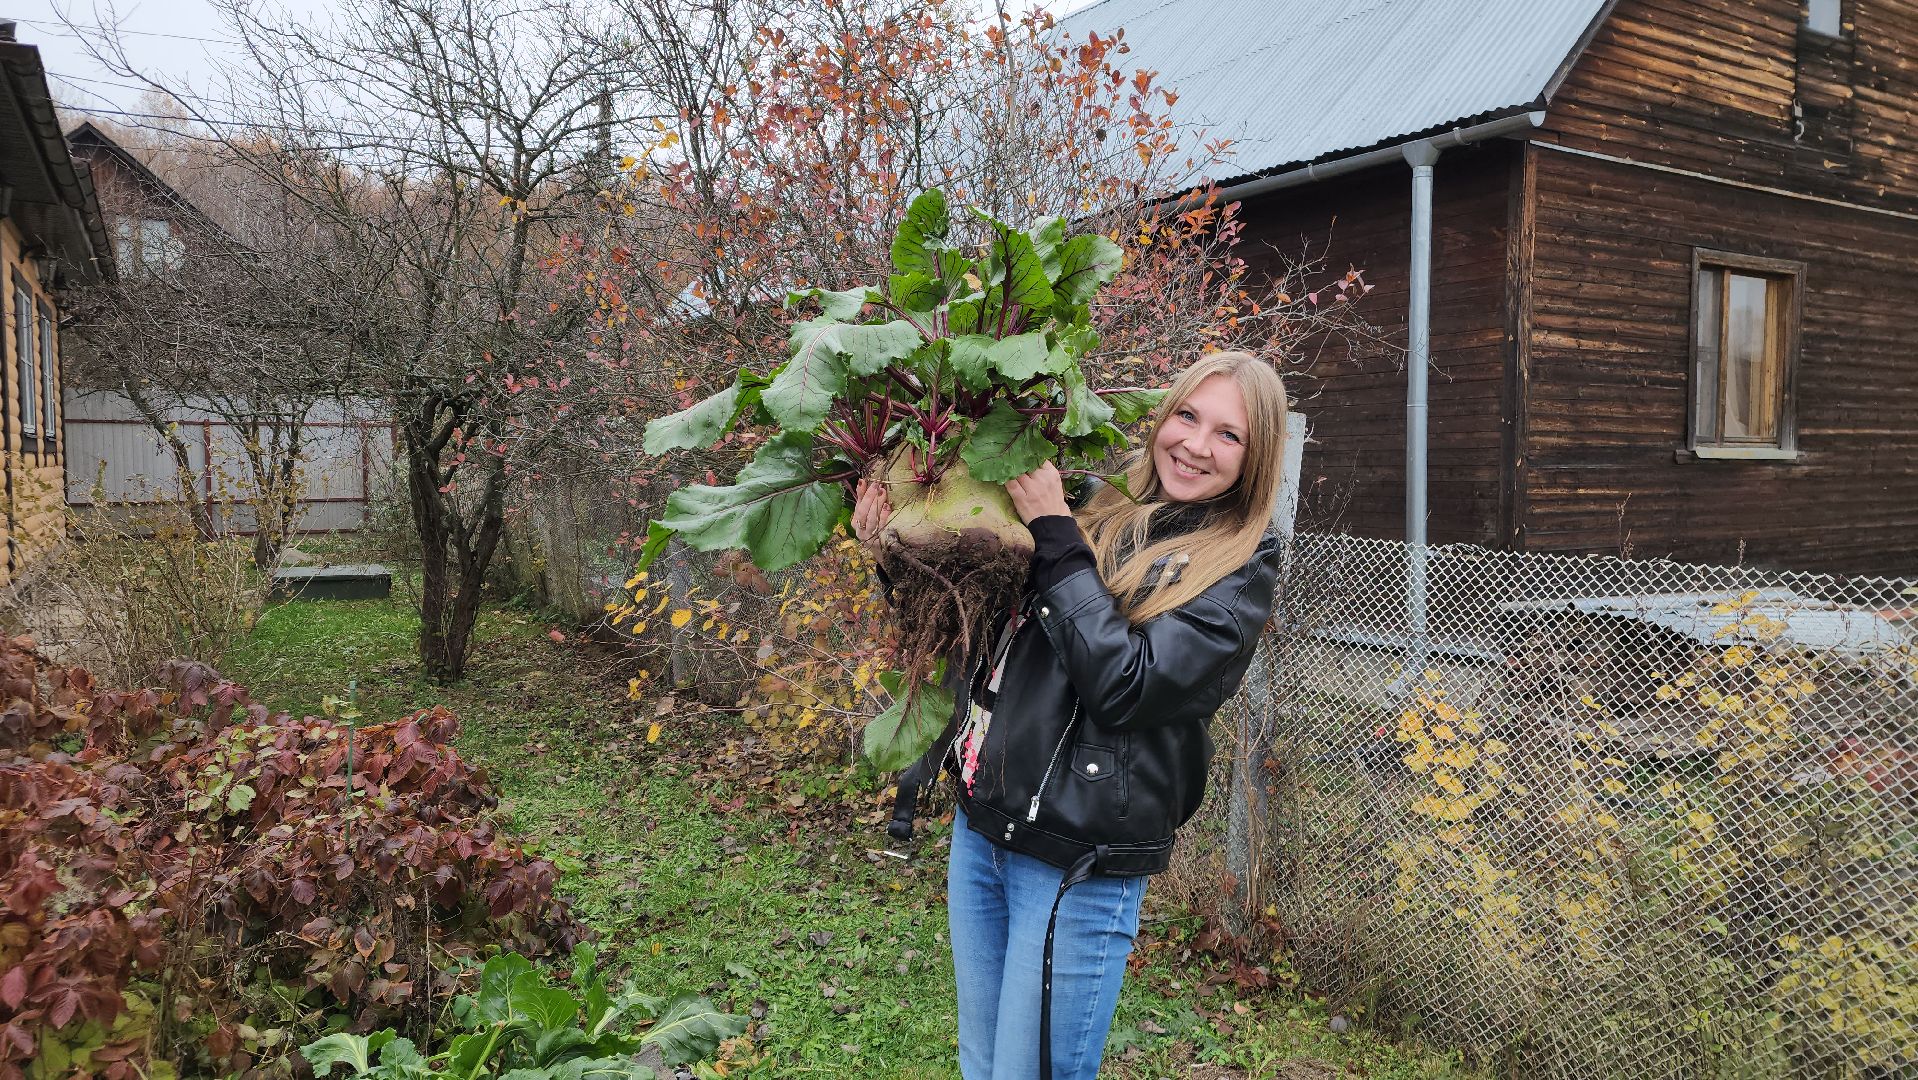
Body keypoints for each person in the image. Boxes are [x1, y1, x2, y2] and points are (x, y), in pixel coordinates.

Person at [851, 350, 1288, 1080]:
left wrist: (1054, 530)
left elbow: (1127, 687)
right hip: (983, 827)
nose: (1195, 444)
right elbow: (976, 628)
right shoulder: (1096, 504)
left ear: (1255, 456)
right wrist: (893, 555)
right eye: (1187, 416)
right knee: (984, 1065)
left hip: (1075, 864)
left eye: (1228, 434)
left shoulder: (1238, 567)